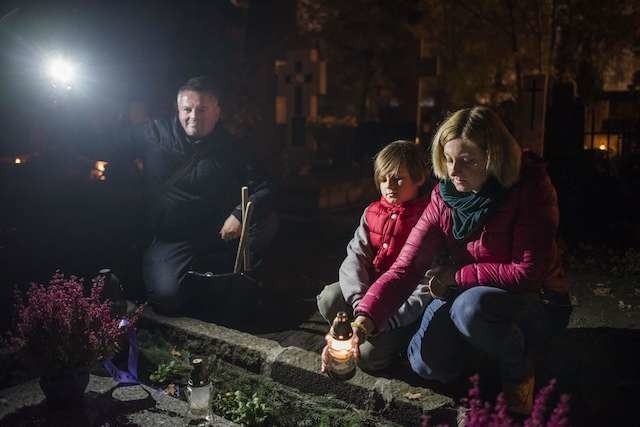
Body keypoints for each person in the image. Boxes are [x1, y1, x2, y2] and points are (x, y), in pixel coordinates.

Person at [350, 106, 571, 415]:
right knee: (425, 363)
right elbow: (406, 268)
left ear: (494, 158)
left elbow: (527, 273)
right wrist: (363, 319)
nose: (453, 171)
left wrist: (456, 276)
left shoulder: (529, 188)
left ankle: (518, 363)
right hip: (465, 291)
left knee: (470, 309)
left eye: (467, 161)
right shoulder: (445, 197)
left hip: (532, 299)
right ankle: (478, 355)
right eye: (449, 159)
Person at [114, 76, 277, 316]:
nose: (194, 116)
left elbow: (265, 186)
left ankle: (234, 281)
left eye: (202, 109)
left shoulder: (233, 148)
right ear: (178, 109)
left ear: (217, 111)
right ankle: (198, 284)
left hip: (218, 233)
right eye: (187, 109)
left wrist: (240, 214)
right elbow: (112, 143)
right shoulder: (155, 133)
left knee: (266, 220)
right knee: (167, 298)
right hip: (172, 237)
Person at [318, 140, 433, 372]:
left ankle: (395, 343)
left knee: (369, 359)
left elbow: (425, 284)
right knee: (330, 297)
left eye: (398, 178)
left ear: (419, 178)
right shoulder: (372, 213)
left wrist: (386, 319)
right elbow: (355, 258)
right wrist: (362, 305)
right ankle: (353, 334)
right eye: (383, 179)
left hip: (400, 306)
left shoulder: (428, 220)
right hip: (368, 297)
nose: (389, 185)